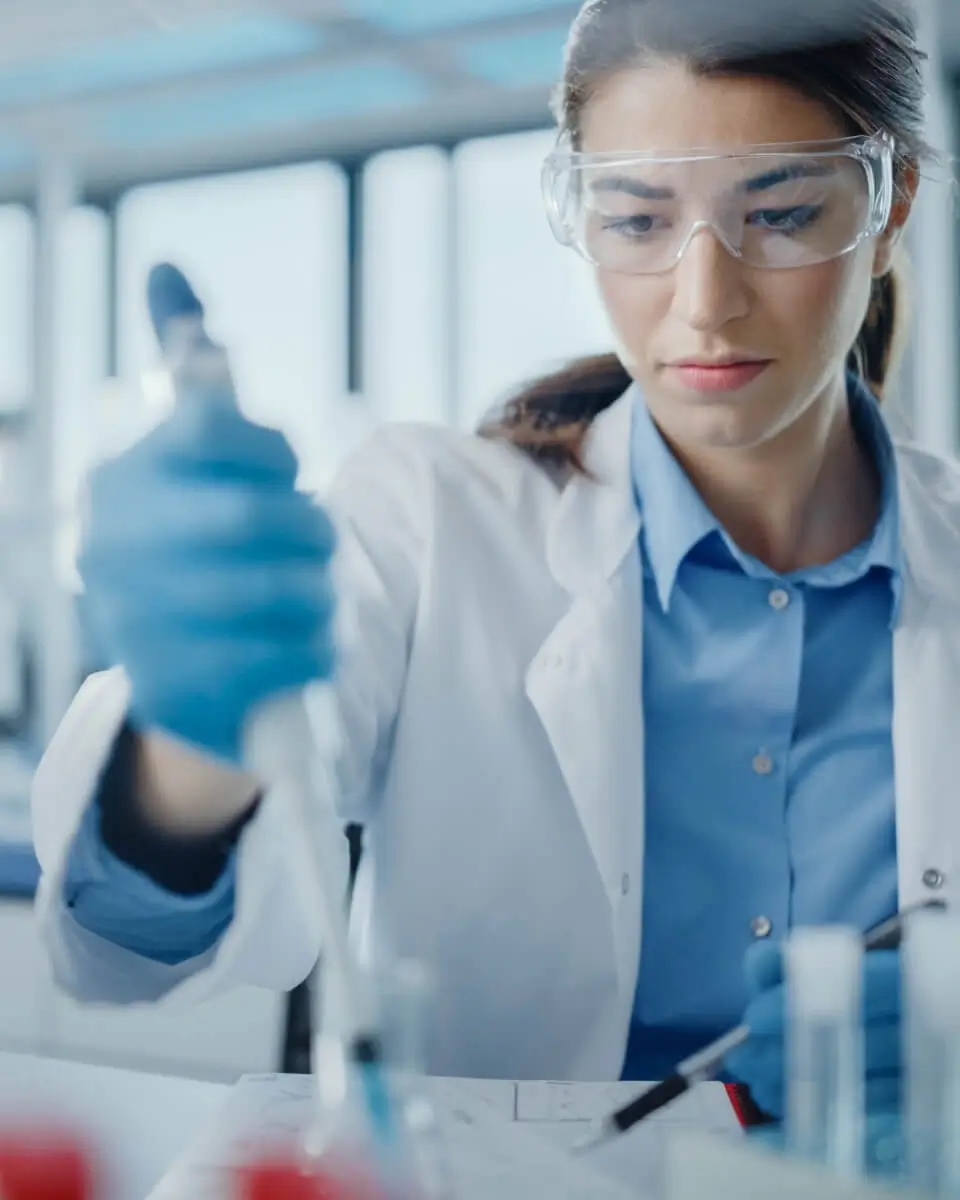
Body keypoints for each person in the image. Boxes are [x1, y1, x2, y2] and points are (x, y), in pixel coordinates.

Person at [31, 0, 953, 1121]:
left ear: (891, 204)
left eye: (785, 212)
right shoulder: (428, 526)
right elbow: (136, 945)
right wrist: (187, 746)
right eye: (636, 221)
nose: (704, 302)